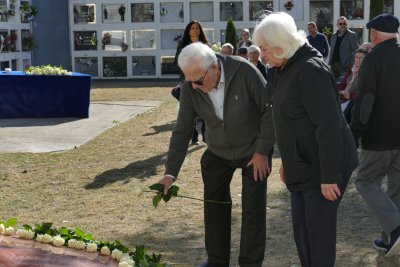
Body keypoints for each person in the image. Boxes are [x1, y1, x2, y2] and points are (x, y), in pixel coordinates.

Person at [253, 12, 358, 267]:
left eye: (264, 49)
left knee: (318, 237)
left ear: (280, 47)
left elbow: (329, 127)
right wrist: (288, 162)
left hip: (323, 167)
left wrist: (329, 176)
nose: (261, 54)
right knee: (303, 234)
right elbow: (288, 122)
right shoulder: (283, 67)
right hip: (303, 164)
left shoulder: (309, 70)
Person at [158, 42, 275, 267]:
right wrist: (170, 173)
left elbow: (269, 112)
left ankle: (250, 263)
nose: (193, 87)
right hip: (218, 152)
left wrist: (262, 152)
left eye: (198, 81)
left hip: (253, 151)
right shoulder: (191, 86)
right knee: (214, 205)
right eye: (188, 80)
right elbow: (182, 131)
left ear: (214, 68)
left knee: (253, 210)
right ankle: (216, 260)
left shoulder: (245, 72)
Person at [350, 13, 400, 257]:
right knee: (396, 189)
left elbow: (366, 100)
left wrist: (355, 132)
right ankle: (390, 239)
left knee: (366, 181)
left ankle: (396, 230)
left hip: (378, 137)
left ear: (375, 33)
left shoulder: (373, 59)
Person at [174, 20, 209, 145]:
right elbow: (177, 63)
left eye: (197, 28)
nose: (195, 30)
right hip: (188, 81)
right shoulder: (183, 45)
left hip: (204, 81)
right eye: (193, 28)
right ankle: (193, 137)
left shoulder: (205, 45)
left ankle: (206, 137)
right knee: (190, 110)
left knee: (206, 109)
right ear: (188, 31)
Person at [337, 47, 368, 124]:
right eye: (356, 57)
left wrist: (349, 95)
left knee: (342, 113)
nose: (358, 60)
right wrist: (341, 91)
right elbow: (342, 84)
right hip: (343, 96)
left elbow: (363, 91)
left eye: (361, 58)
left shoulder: (366, 72)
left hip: (353, 100)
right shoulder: (351, 69)